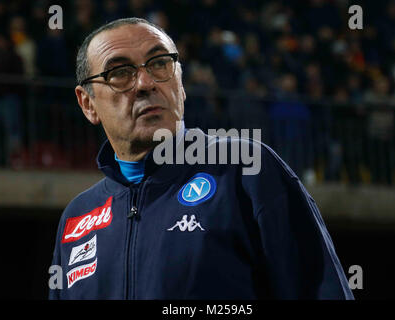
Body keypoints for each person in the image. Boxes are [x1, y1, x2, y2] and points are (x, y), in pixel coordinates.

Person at [49, 17, 354, 300]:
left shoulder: (246, 168)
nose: (145, 83)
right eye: (120, 73)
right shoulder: (77, 217)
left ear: (179, 82)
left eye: (158, 64)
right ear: (87, 104)